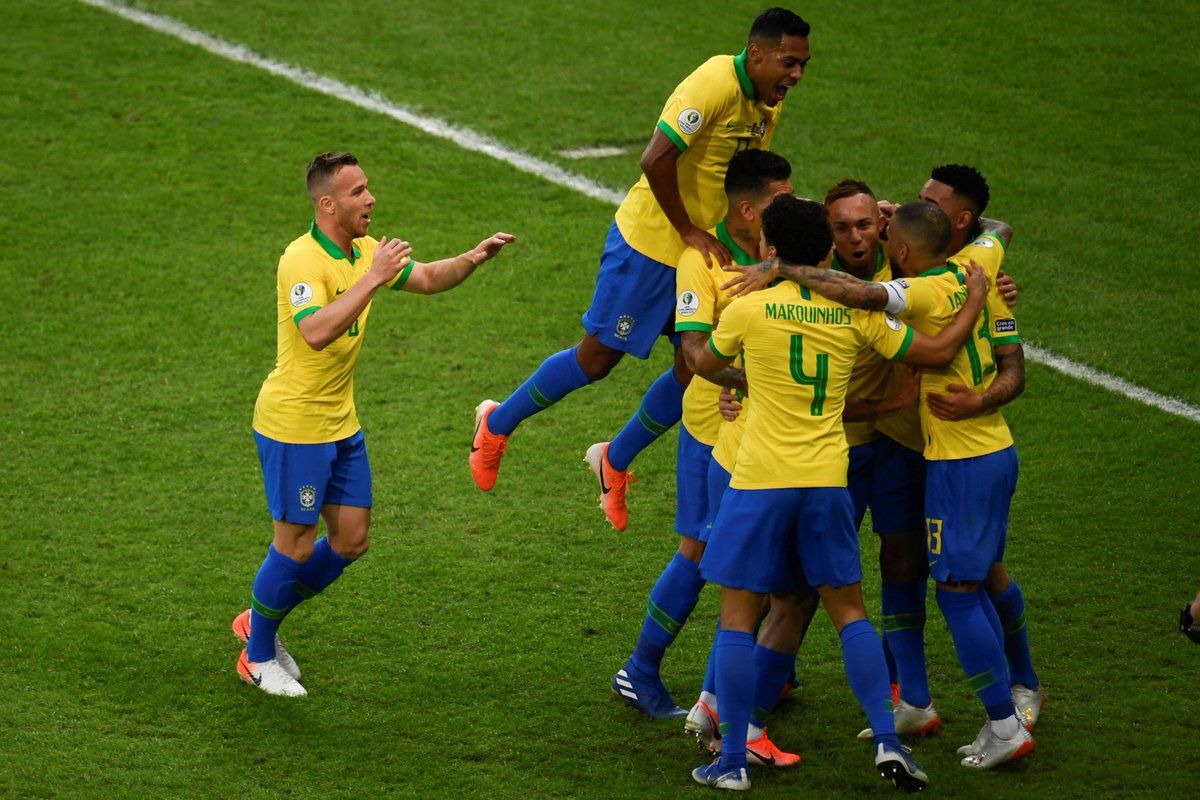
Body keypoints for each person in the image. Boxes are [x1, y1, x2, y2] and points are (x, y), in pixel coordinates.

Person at [687, 195, 989, 791]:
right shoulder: (855, 314)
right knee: (850, 612)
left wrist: (736, 378)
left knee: (738, 623)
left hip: (760, 482)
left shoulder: (750, 308)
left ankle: (731, 764)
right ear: (826, 250)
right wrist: (974, 301)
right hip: (828, 477)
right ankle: (888, 741)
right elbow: (936, 352)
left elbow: (701, 359)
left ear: (771, 251)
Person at [471, 9, 812, 534]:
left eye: (803, 66)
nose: (795, 75)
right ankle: (495, 425)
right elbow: (655, 159)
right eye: (788, 63)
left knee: (695, 364)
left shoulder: (767, 103)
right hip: (652, 242)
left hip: (705, 253)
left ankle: (614, 459)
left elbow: (748, 181)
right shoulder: (713, 84)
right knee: (599, 358)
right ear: (759, 53)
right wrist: (689, 230)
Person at [735, 200, 1034, 769]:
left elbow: (867, 298)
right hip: (991, 449)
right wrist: (973, 283)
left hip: (956, 459)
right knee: (955, 577)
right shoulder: (982, 262)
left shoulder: (918, 291)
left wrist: (780, 267)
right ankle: (931, 701)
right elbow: (999, 228)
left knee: (960, 591)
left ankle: (1006, 718)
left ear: (896, 248)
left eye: (881, 225)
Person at [234, 151, 514, 696]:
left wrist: (474, 257)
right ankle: (258, 654)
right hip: (296, 425)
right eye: (359, 191)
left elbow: (430, 278)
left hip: (341, 423)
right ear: (327, 203)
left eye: (368, 188)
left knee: (351, 541)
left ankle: (257, 620)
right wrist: (373, 278)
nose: (371, 199)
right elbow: (315, 330)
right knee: (293, 545)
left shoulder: (364, 251)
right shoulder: (301, 260)